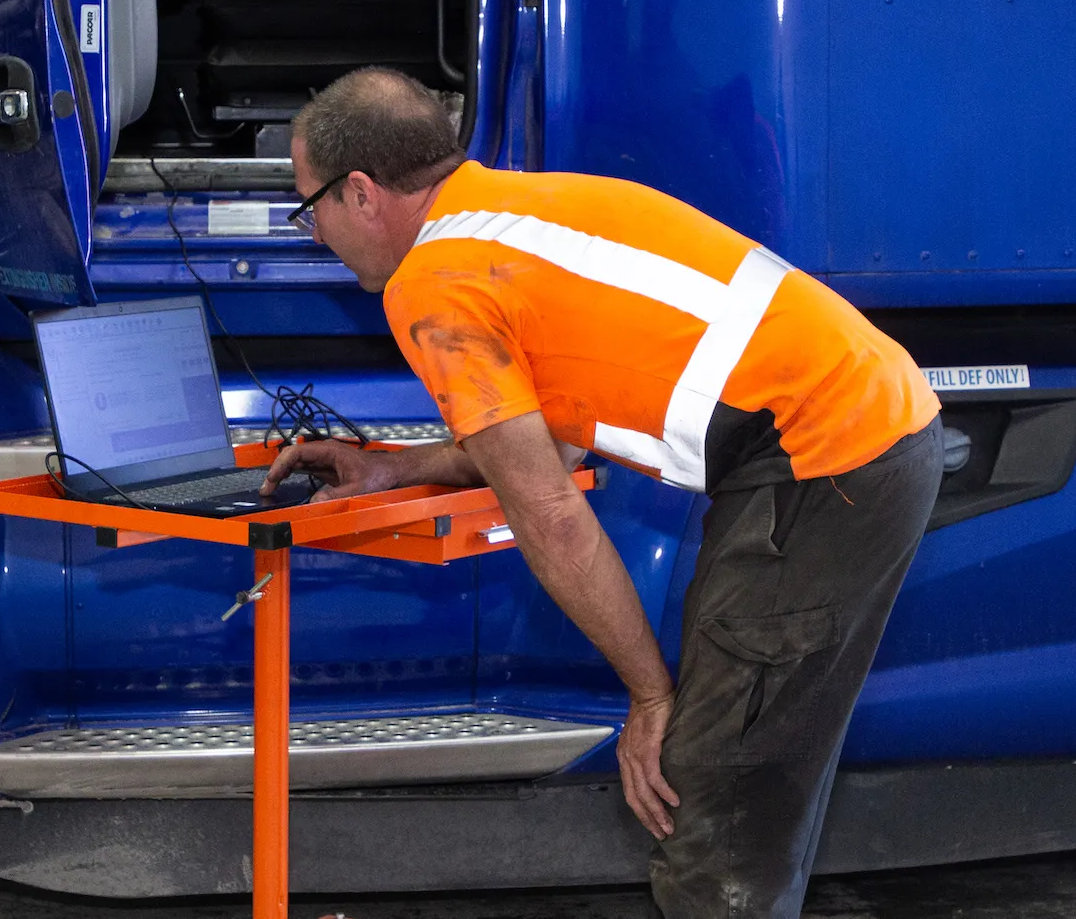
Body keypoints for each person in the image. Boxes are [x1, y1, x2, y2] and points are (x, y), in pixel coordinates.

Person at [260, 67, 942, 919]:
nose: (313, 232)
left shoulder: (431, 283)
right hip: (859, 431)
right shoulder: (523, 208)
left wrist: (651, 697)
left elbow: (550, 514)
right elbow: (550, 438)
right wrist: (398, 467)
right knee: (753, 773)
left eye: (308, 206)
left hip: (825, 455)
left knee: (707, 788)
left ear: (361, 193)